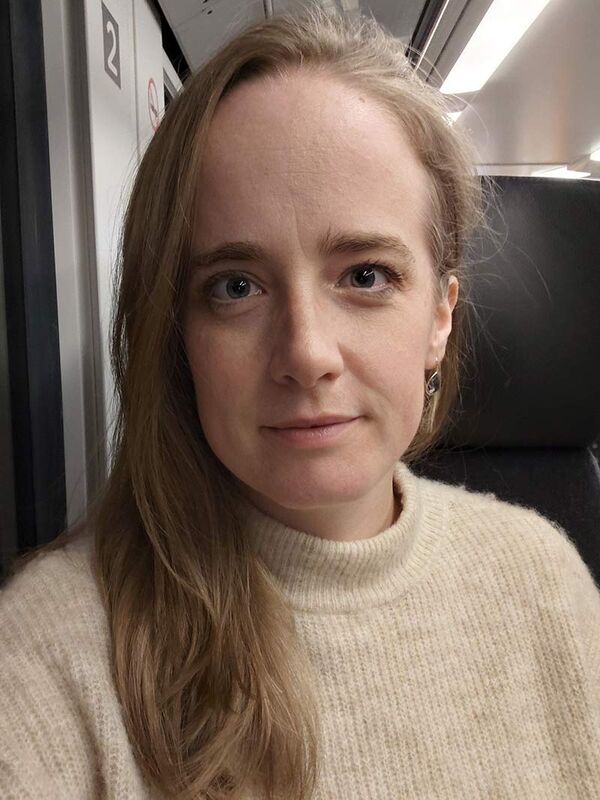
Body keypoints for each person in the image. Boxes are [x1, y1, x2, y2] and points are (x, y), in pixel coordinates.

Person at [1, 4, 599, 799]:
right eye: (235, 287)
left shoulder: (546, 579)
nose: (307, 354)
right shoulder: (47, 660)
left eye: (365, 276)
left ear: (440, 317)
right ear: (178, 332)